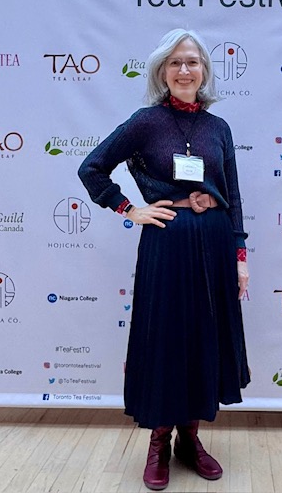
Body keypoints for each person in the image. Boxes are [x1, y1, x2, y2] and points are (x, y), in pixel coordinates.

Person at [78, 28, 250, 491]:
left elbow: (232, 194)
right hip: (167, 242)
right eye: (174, 63)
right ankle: (158, 441)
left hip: (214, 241)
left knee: (202, 337)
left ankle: (190, 439)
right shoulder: (145, 122)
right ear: (161, 71)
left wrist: (240, 255)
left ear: (204, 71)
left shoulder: (219, 129)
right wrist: (128, 209)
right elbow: (91, 168)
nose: (184, 70)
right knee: (167, 338)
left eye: (192, 61)